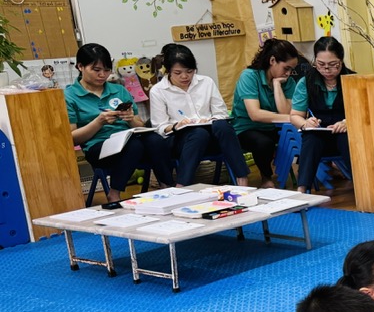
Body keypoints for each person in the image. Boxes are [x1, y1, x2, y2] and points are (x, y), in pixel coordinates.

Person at [65, 42, 174, 203]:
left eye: (107, 70)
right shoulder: (70, 95)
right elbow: (72, 138)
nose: (102, 75)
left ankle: (168, 188)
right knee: (133, 145)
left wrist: (130, 120)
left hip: (128, 139)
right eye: (96, 70)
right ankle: (114, 193)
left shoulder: (119, 90)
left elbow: (140, 125)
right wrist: (99, 122)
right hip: (98, 147)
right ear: (80, 67)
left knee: (154, 140)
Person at [147, 43, 251, 187]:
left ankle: (242, 179)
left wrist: (210, 119)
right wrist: (177, 125)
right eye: (178, 73)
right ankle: (182, 185)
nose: (185, 76)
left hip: (211, 134)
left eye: (190, 71)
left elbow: (220, 112)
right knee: (198, 134)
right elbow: (159, 127)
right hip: (180, 140)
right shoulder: (158, 91)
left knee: (223, 126)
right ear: (168, 71)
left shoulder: (206, 82)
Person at [230, 38, 300, 188]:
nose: (288, 74)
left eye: (291, 70)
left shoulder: (286, 82)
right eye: (286, 68)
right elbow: (255, 114)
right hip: (246, 128)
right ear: (272, 60)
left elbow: (285, 111)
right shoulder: (249, 76)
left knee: (301, 135)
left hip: (274, 128)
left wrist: (276, 85)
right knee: (263, 143)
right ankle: (266, 178)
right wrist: (291, 118)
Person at [290, 36, 354, 194]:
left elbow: (367, 113)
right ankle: (302, 190)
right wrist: (306, 123)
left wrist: (348, 122)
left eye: (333, 65)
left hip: (345, 133)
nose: (327, 70)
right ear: (315, 61)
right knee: (311, 138)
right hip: (320, 135)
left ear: (341, 60)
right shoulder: (306, 82)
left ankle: (363, 187)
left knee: (346, 138)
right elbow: (295, 116)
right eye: (321, 65)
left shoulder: (353, 79)